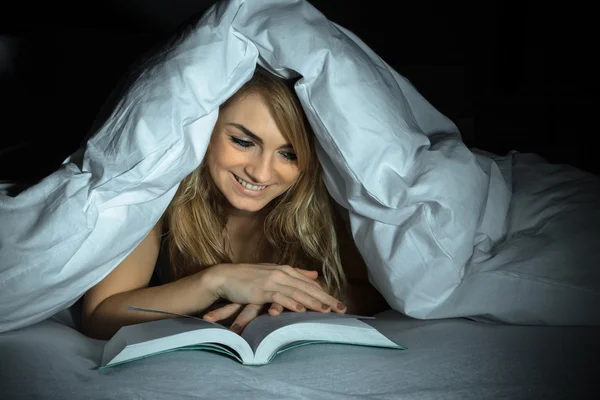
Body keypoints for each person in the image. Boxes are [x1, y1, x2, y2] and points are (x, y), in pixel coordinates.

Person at [81, 66, 389, 340]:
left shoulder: (320, 204)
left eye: (289, 154)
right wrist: (215, 281)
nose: (261, 172)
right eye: (243, 142)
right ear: (206, 129)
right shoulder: (159, 196)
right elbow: (100, 317)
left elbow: (378, 294)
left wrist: (282, 292)